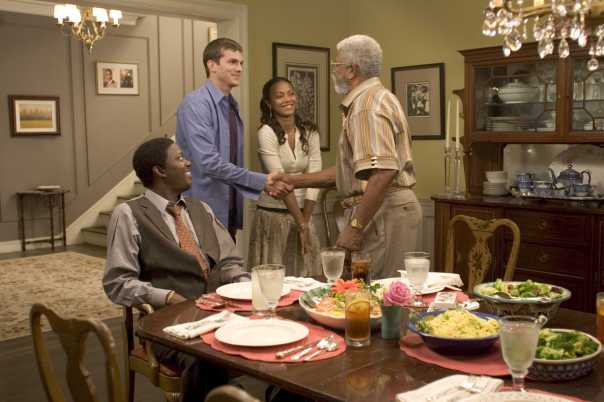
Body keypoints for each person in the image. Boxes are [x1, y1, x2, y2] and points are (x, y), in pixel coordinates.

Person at [103, 137, 249, 402]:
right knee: (207, 359)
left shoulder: (201, 208)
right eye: (180, 158)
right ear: (160, 170)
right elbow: (118, 283)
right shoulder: (128, 214)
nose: (188, 162)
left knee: (281, 338)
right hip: (166, 326)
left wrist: (245, 284)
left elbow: (228, 262)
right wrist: (167, 297)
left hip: (218, 314)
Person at [283, 34, 423, 279]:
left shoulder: (366, 107)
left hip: (384, 212)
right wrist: (293, 180)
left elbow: (384, 171)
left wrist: (355, 226)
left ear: (351, 70)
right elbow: (350, 173)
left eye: (336, 65)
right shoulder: (378, 98)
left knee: (380, 294)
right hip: (383, 209)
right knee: (373, 293)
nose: (334, 71)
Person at [176, 37, 291, 240]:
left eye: (241, 63)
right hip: (201, 212)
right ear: (212, 65)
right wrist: (261, 180)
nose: (239, 68)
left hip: (228, 211)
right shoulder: (196, 104)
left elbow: (231, 161)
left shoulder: (230, 105)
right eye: (232, 62)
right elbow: (208, 162)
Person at [248, 77, 322, 276]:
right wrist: (301, 224)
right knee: (273, 279)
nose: (288, 99)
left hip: (305, 212)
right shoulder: (266, 132)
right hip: (273, 215)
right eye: (279, 96)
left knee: (306, 279)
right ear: (268, 103)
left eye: (290, 93)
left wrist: (305, 222)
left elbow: (315, 176)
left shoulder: (310, 131)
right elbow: (280, 181)